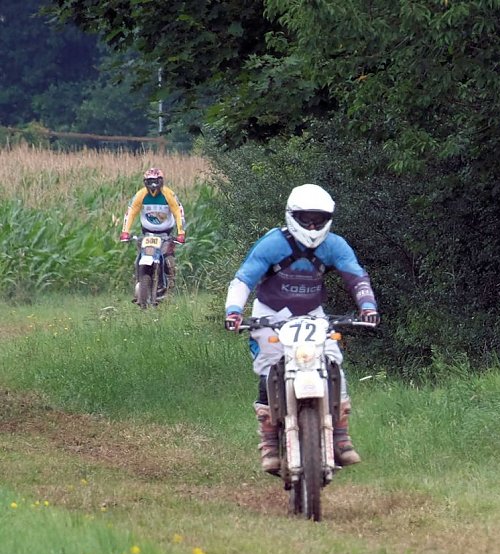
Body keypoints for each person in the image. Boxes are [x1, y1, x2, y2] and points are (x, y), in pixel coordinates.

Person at [223, 183, 380, 473]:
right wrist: (234, 312)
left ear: (328, 219)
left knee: (333, 362)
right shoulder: (272, 243)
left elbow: (356, 277)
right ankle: (269, 441)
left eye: (318, 219)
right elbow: (244, 279)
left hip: (312, 315)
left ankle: (341, 435)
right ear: (292, 216)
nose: (312, 226)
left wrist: (367, 306)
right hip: (270, 314)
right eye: (306, 219)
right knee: (269, 367)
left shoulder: (335, 245)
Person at [119, 167, 187, 297]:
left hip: (166, 234)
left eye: (156, 181)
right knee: (140, 256)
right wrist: (125, 232)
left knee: (168, 260)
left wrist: (181, 233)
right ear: (145, 182)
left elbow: (178, 212)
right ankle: (138, 282)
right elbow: (131, 212)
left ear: (161, 181)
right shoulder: (140, 195)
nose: (153, 185)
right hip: (147, 234)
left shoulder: (169, 195)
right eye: (150, 181)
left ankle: (169, 284)